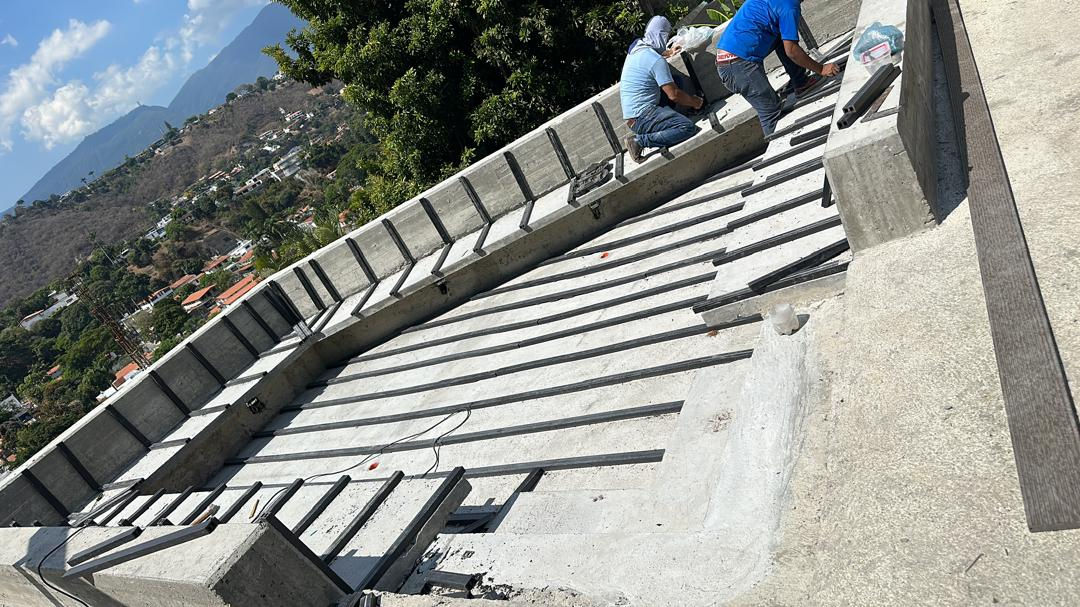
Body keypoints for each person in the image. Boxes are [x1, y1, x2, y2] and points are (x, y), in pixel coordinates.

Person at [715, 0, 840, 135]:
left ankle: (801, 83)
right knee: (771, 112)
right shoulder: (789, 6)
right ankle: (779, 146)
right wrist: (821, 69)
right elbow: (791, 51)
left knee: (783, 33)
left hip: (732, 59)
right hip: (737, 66)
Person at [620, 16, 704, 163]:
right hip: (642, 118)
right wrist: (694, 102)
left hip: (635, 116)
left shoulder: (637, 47)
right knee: (687, 128)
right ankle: (639, 141)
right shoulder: (655, 61)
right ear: (661, 35)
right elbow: (674, 95)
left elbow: (651, 54)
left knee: (676, 80)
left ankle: (668, 121)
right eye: (665, 36)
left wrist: (667, 52)